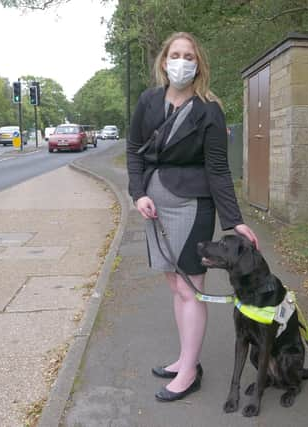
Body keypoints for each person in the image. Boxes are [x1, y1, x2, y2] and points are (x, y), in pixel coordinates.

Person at [126, 32, 259, 402]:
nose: (181, 61)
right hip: (155, 206)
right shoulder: (148, 101)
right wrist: (138, 193)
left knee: (191, 290)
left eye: (188, 56)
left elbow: (218, 169)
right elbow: (134, 152)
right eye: (175, 54)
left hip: (194, 207)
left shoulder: (209, 110)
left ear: (198, 63)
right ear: (164, 60)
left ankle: (189, 372)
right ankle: (186, 359)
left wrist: (234, 221)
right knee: (175, 287)